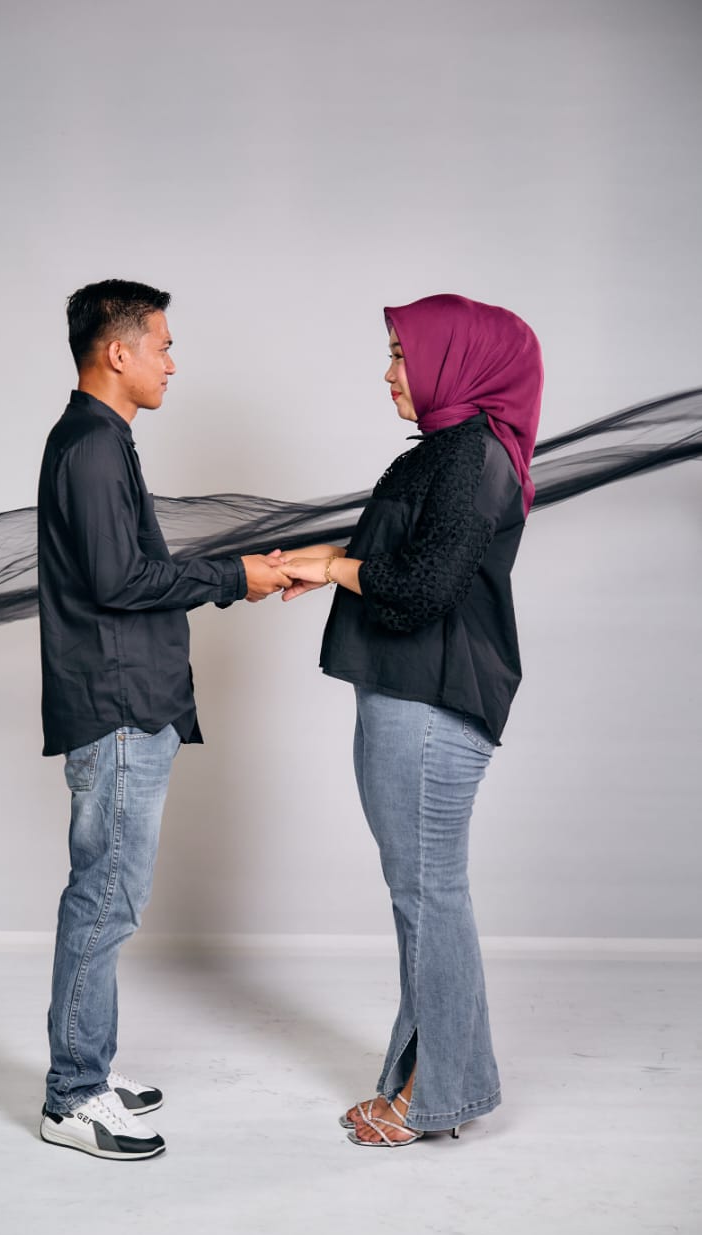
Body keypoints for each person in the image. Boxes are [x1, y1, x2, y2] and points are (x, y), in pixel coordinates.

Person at [280, 293, 543, 1146]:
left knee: (429, 896)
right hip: (406, 691)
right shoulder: (446, 451)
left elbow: (423, 589)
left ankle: (435, 1095)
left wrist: (332, 568)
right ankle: (428, 1082)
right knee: (421, 895)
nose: (389, 372)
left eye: (401, 353)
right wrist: (329, 562)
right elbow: (409, 563)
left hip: (431, 699)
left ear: (459, 362)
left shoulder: (472, 456)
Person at [37, 279, 289, 1161]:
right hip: (115, 706)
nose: (172, 363)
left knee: (110, 895)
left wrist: (236, 575)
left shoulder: (102, 440)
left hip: (130, 702)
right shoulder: (91, 446)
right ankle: (72, 1095)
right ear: (119, 351)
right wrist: (233, 578)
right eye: (164, 345)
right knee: (104, 898)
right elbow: (120, 583)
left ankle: (89, 1070)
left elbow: (124, 569)